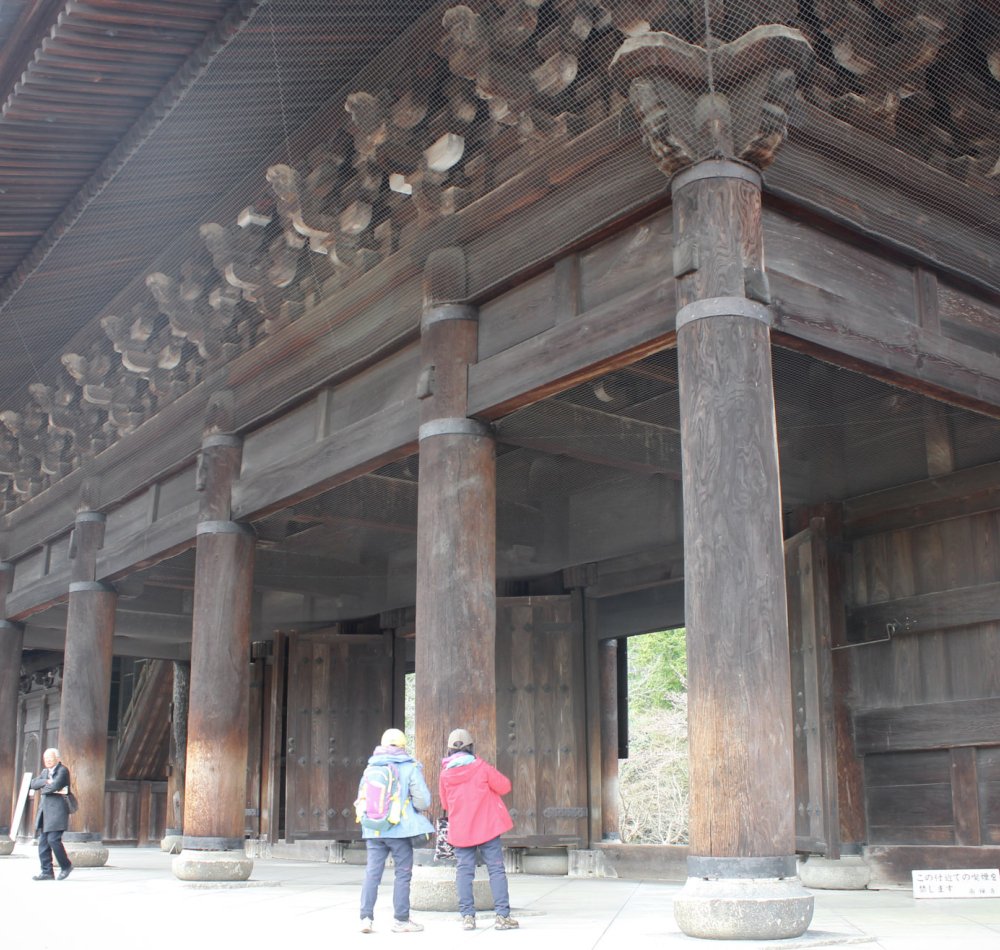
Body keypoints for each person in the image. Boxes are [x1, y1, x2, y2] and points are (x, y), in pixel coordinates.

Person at [438, 728, 519, 931]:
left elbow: (445, 803)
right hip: (487, 828)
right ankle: (502, 916)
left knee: (464, 872)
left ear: (449, 750)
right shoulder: (481, 767)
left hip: (461, 830)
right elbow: (504, 786)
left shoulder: (445, 774)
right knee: (496, 869)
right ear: (471, 747)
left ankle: (467, 917)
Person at [357, 727, 433, 934]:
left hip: (374, 830)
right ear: (402, 746)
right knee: (402, 874)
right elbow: (424, 800)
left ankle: (365, 918)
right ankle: (401, 919)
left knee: (372, 874)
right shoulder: (409, 767)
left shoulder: (371, 767)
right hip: (399, 830)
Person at [29, 747, 73, 881]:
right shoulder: (45, 772)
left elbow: (55, 786)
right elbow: (32, 783)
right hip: (45, 812)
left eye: (50, 758)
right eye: (46, 758)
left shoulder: (62, 770)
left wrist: (46, 787)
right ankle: (47, 872)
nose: (47, 760)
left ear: (57, 759)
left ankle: (66, 866)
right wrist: (46, 781)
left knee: (53, 840)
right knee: (43, 843)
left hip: (58, 811)